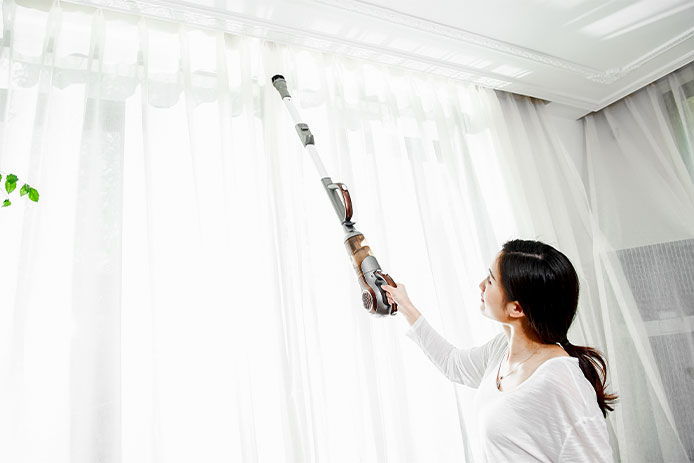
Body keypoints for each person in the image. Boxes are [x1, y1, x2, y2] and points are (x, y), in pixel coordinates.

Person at [382, 239, 618, 462]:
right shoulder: (502, 350)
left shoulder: (560, 380)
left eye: (491, 280)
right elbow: (453, 364)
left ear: (517, 308)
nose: (481, 285)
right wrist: (405, 305)